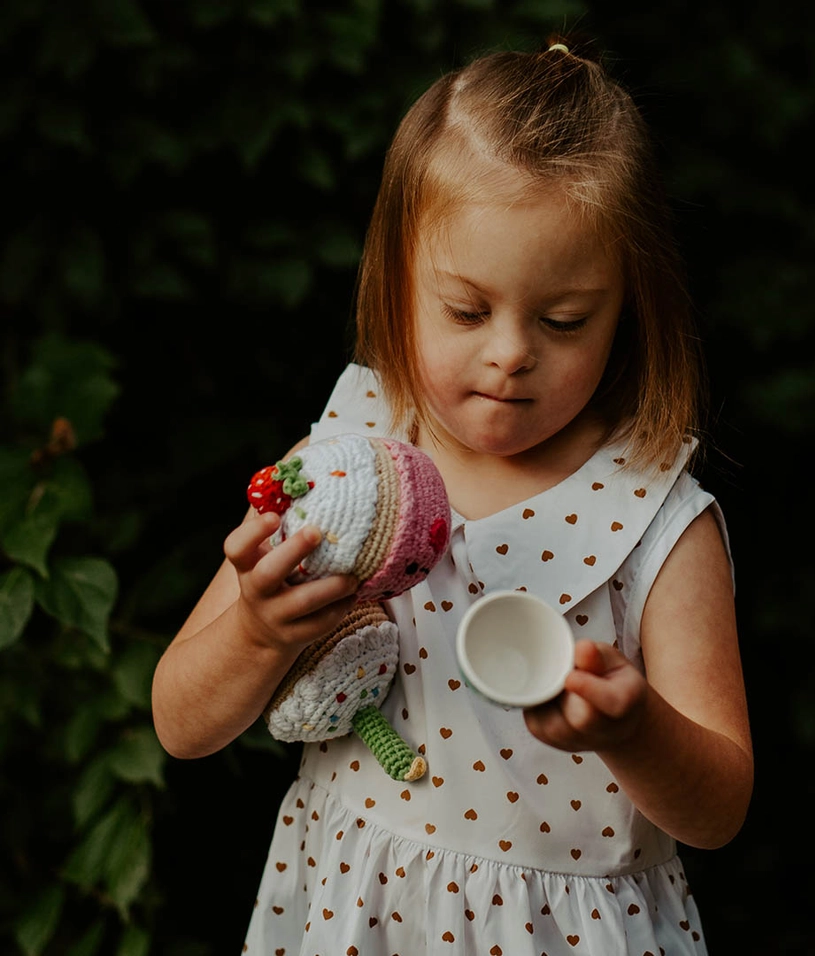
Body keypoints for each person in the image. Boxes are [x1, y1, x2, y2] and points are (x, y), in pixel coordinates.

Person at [152, 33, 752, 956]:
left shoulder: (653, 518)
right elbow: (181, 724)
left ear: (628, 307)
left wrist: (638, 733)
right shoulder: (349, 453)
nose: (511, 352)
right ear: (398, 284)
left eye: (563, 320)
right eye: (467, 310)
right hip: (356, 912)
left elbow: (719, 810)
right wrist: (258, 631)